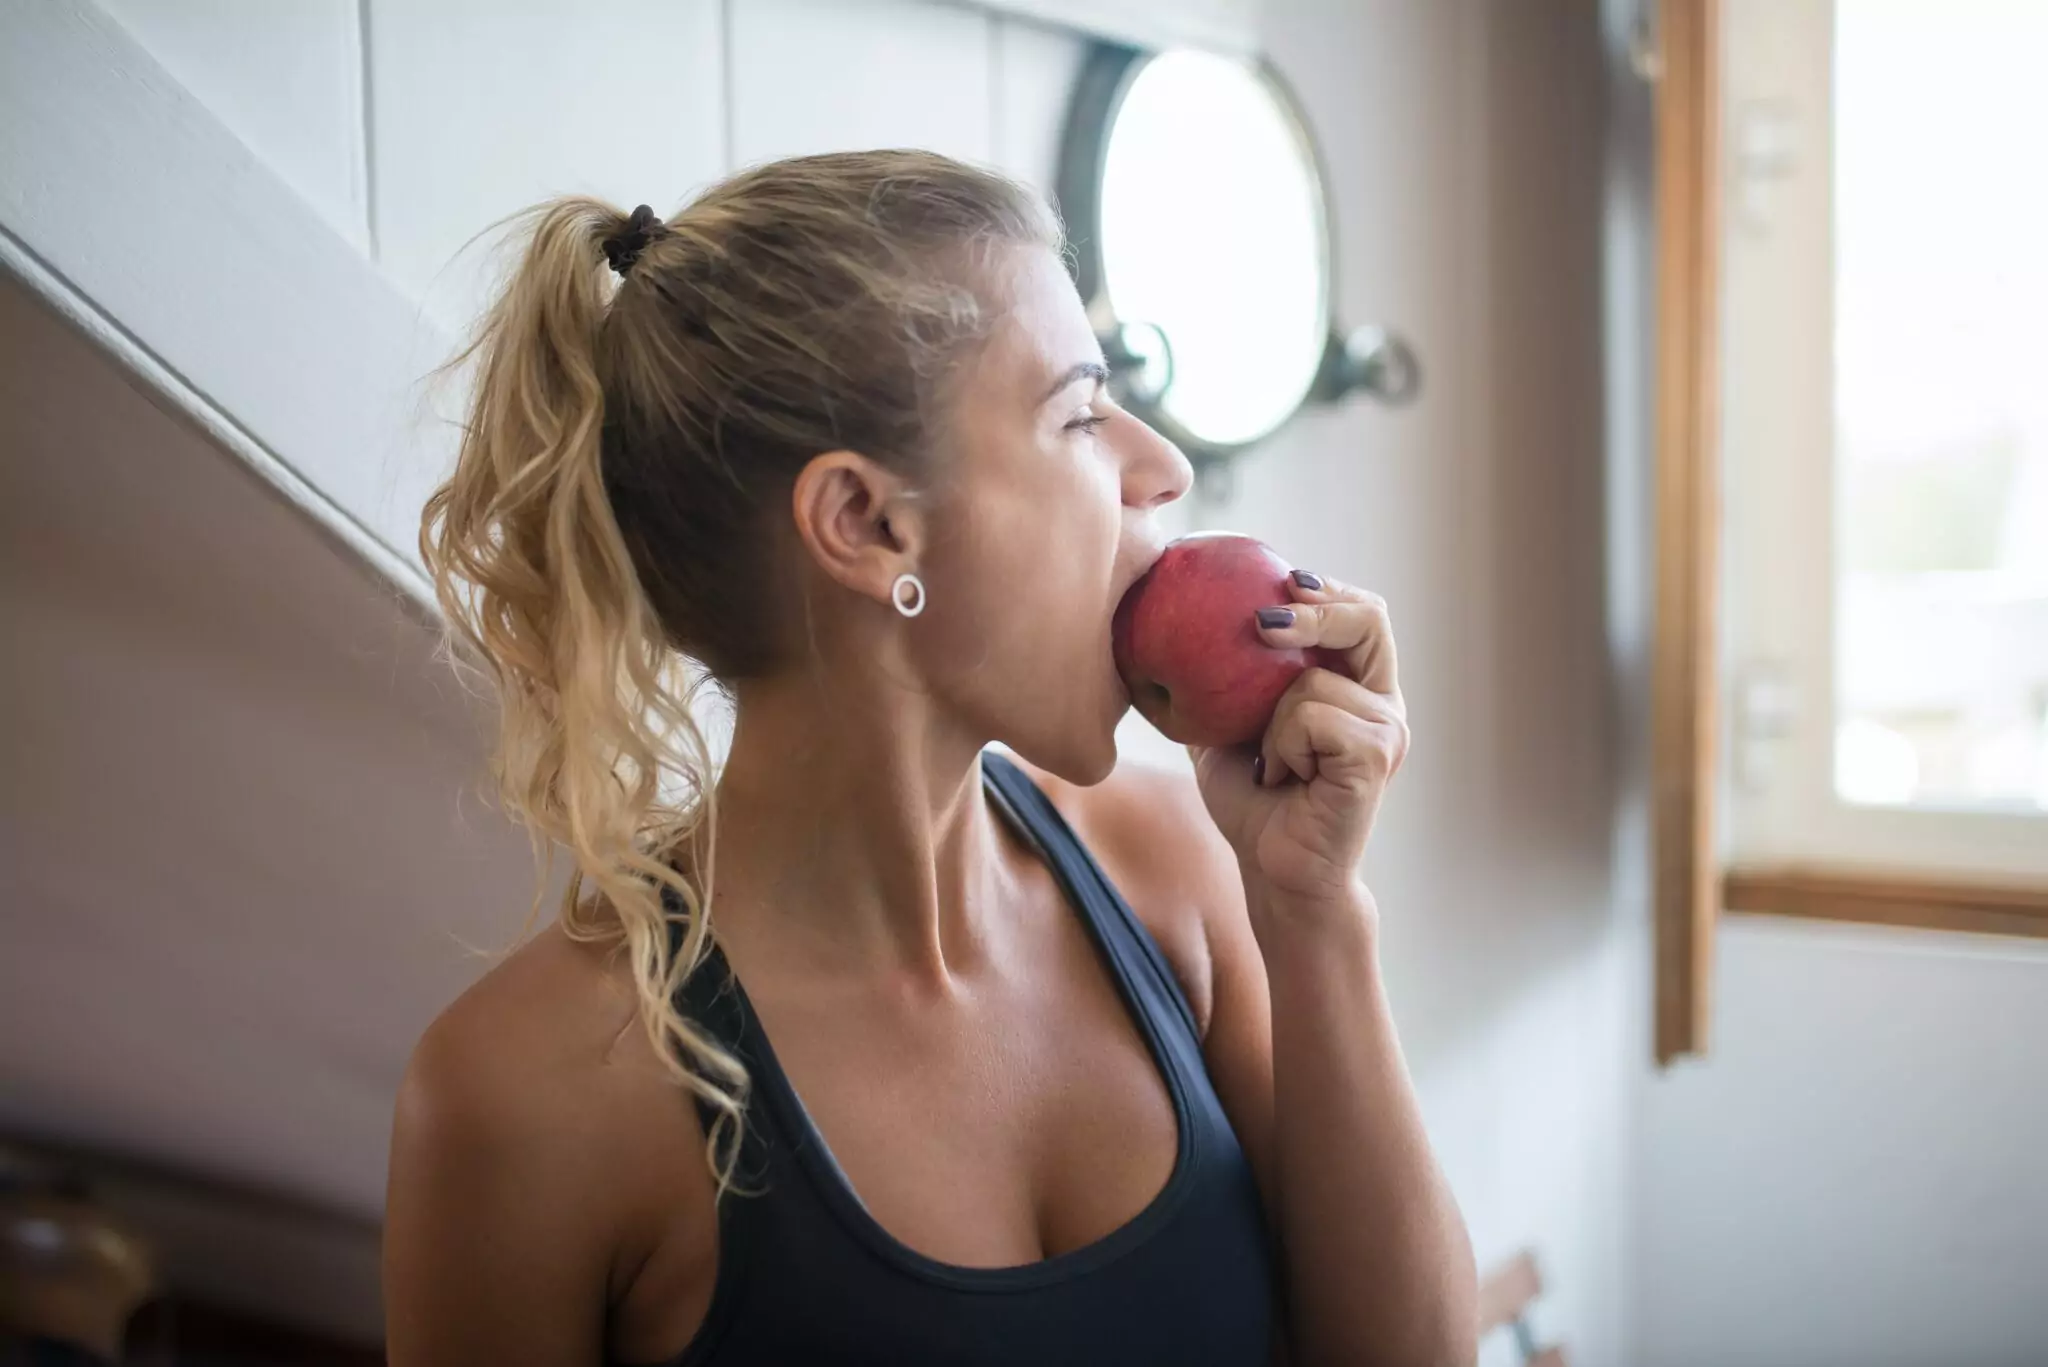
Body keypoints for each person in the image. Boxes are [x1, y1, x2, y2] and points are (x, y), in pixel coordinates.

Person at [382, 149, 1474, 1367]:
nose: (1159, 465)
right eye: (1078, 410)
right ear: (864, 523)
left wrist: (1313, 911)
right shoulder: (523, 1099)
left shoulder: (1177, 877)